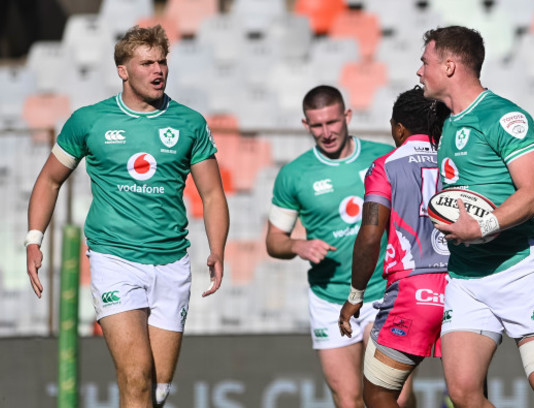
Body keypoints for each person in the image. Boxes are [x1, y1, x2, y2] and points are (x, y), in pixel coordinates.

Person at [25, 25, 229, 408]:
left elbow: (213, 193)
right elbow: (49, 180)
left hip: (172, 263)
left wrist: (217, 248)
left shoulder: (189, 123)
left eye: (162, 61)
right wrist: (34, 239)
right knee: (136, 378)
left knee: (157, 391)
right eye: (147, 62)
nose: (158, 70)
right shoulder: (89, 121)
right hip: (114, 259)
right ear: (123, 70)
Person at [417, 26, 534, 408]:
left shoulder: (503, 116)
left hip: (520, 270)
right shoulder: (444, 121)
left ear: (451, 66)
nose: (420, 70)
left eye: (425, 62)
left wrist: (482, 225)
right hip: (467, 278)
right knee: (462, 393)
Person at [265, 85, 415, 408]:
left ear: (347, 116)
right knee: (348, 400)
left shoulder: (383, 157)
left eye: (332, 122)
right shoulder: (293, 175)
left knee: (397, 398)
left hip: (384, 291)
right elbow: (274, 241)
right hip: (329, 298)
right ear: (306, 125)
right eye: (317, 125)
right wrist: (297, 245)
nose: (326, 132)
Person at [338, 86, 451, 408]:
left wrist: (355, 296)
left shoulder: (386, 165)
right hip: (462, 288)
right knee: (467, 393)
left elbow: (371, 235)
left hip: (413, 291)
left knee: (377, 395)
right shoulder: (456, 163)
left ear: (399, 128)